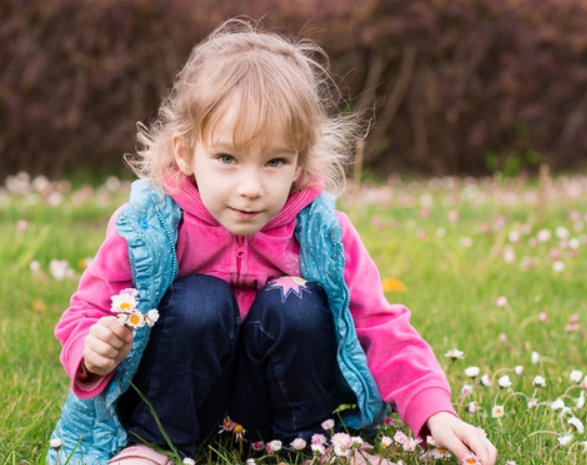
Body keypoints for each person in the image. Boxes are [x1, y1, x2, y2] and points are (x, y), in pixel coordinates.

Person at [47, 17, 497, 465]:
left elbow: (380, 326)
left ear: (300, 163)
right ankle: (154, 445)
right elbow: (84, 312)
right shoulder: (149, 227)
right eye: (227, 158)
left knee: (295, 300)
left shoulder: (322, 232)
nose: (251, 187)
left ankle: (316, 444)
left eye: (274, 161)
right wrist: (92, 348)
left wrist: (433, 409)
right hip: (182, 403)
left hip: (274, 410)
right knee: (201, 299)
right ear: (185, 153)